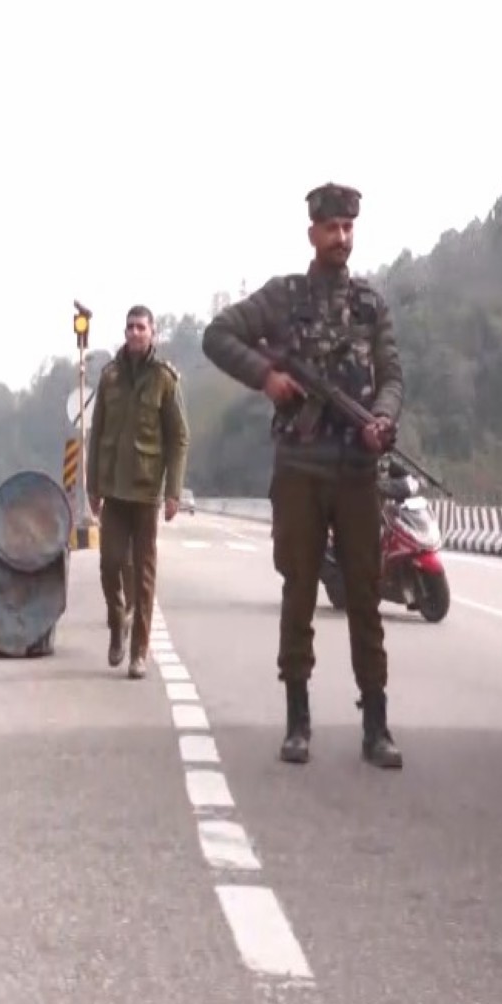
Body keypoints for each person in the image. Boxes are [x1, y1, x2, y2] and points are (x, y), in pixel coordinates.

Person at [200, 182, 404, 770]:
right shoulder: (283, 298)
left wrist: (382, 419)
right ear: (312, 232)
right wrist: (266, 377)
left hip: (358, 471)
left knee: (365, 595)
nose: (340, 238)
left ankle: (376, 724)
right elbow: (218, 336)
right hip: (300, 470)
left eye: (348, 228)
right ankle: (298, 721)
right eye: (331, 228)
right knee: (299, 592)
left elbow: (392, 374)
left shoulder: (371, 305)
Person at [85, 304, 190, 679]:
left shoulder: (164, 379)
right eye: (129, 327)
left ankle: (139, 653)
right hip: (113, 490)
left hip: (146, 493)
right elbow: (95, 435)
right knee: (110, 564)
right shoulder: (110, 377)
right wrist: (91, 486)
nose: (133, 333)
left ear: (152, 334)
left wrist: (173, 491)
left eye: (140, 327)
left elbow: (178, 438)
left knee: (144, 575)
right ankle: (118, 624)